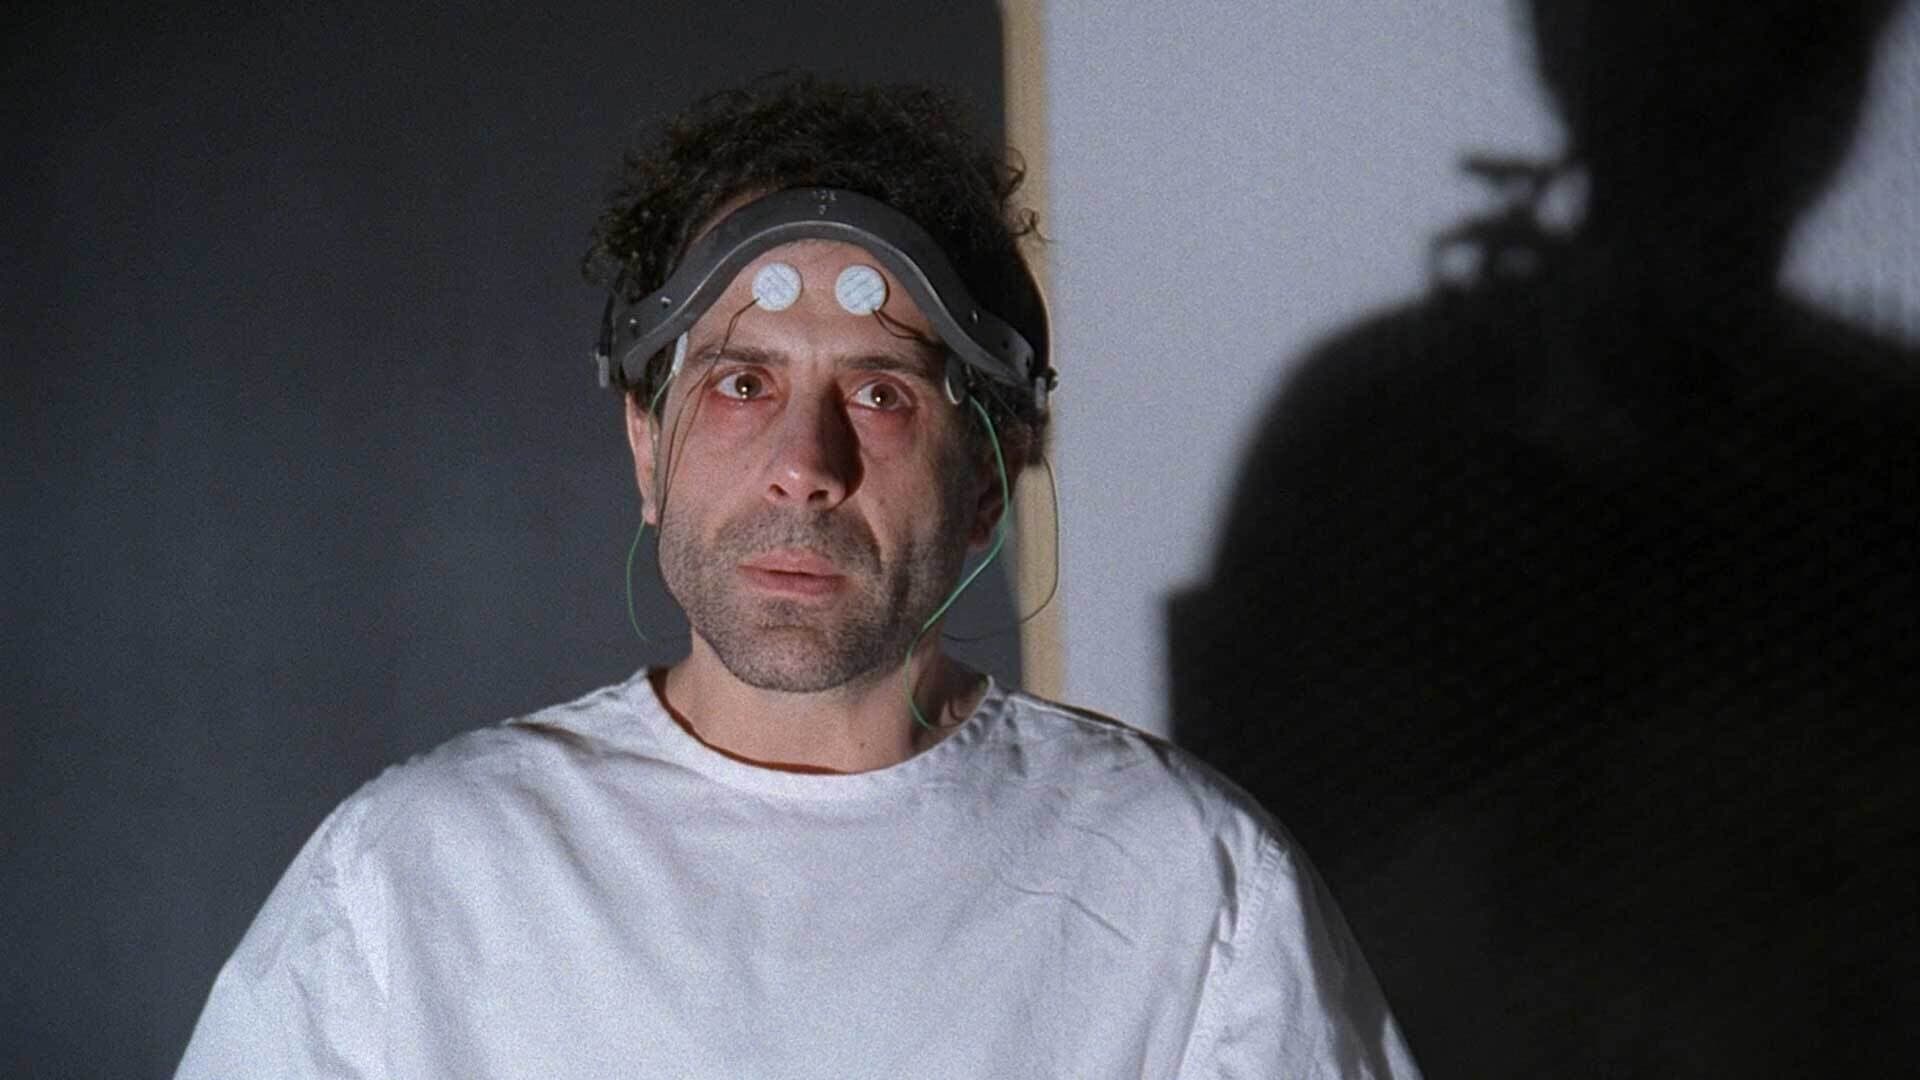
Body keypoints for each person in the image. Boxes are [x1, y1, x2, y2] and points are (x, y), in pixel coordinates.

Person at [176, 77, 1419, 1079]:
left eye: (880, 392)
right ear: (648, 448)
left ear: (992, 479)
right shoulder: (411, 881)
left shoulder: (1193, 890)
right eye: (742, 382)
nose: (803, 467)